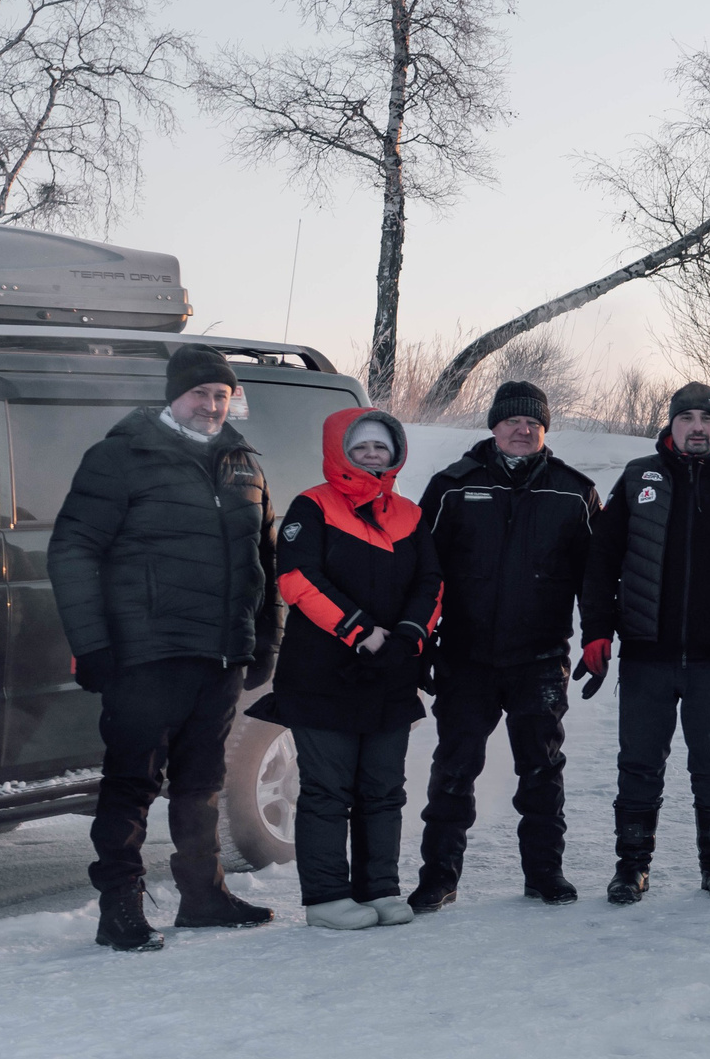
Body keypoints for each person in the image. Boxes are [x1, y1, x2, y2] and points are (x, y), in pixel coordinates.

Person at [48, 344, 280, 953]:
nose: (209, 405)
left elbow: (267, 562)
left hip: (221, 654)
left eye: (220, 395)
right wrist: (92, 644)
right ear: (173, 396)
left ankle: (204, 897)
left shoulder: (245, 466)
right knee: (132, 782)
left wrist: (263, 641)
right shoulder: (120, 457)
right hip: (144, 653)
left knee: (202, 780)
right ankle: (119, 907)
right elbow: (73, 550)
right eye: (199, 393)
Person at [580, 383, 710, 904]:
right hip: (648, 654)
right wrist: (597, 632)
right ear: (670, 425)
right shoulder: (636, 480)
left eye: (706, 418)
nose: (696, 426)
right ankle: (631, 868)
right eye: (686, 417)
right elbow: (600, 564)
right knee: (639, 763)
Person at [408, 381, 603, 911]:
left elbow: (598, 577)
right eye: (513, 421)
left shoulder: (574, 492)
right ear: (493, 426)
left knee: (541, 770)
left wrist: (598, 636)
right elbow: (423, 573)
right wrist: (421, 639)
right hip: (465, 657)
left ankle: (545, 874)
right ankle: (438, 877)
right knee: (453, 770)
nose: (523, 430)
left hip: (539, 659)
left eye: (533, 423)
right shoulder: (451, 487)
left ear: (545, 430)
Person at [251, 410, 441, 929]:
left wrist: (410, 633)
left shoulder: (410, 514)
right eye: (361, 447)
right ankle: (327, 898)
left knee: (383, 788)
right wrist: (360, 630)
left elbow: (432, 582)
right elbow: (295, 578)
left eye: (382, 446)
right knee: (327, 789)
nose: (372, 454)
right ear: (340, 449)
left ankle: (380, 888)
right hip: (323, 675)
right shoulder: (311, 507)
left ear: (395, 452)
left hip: (391, 673)